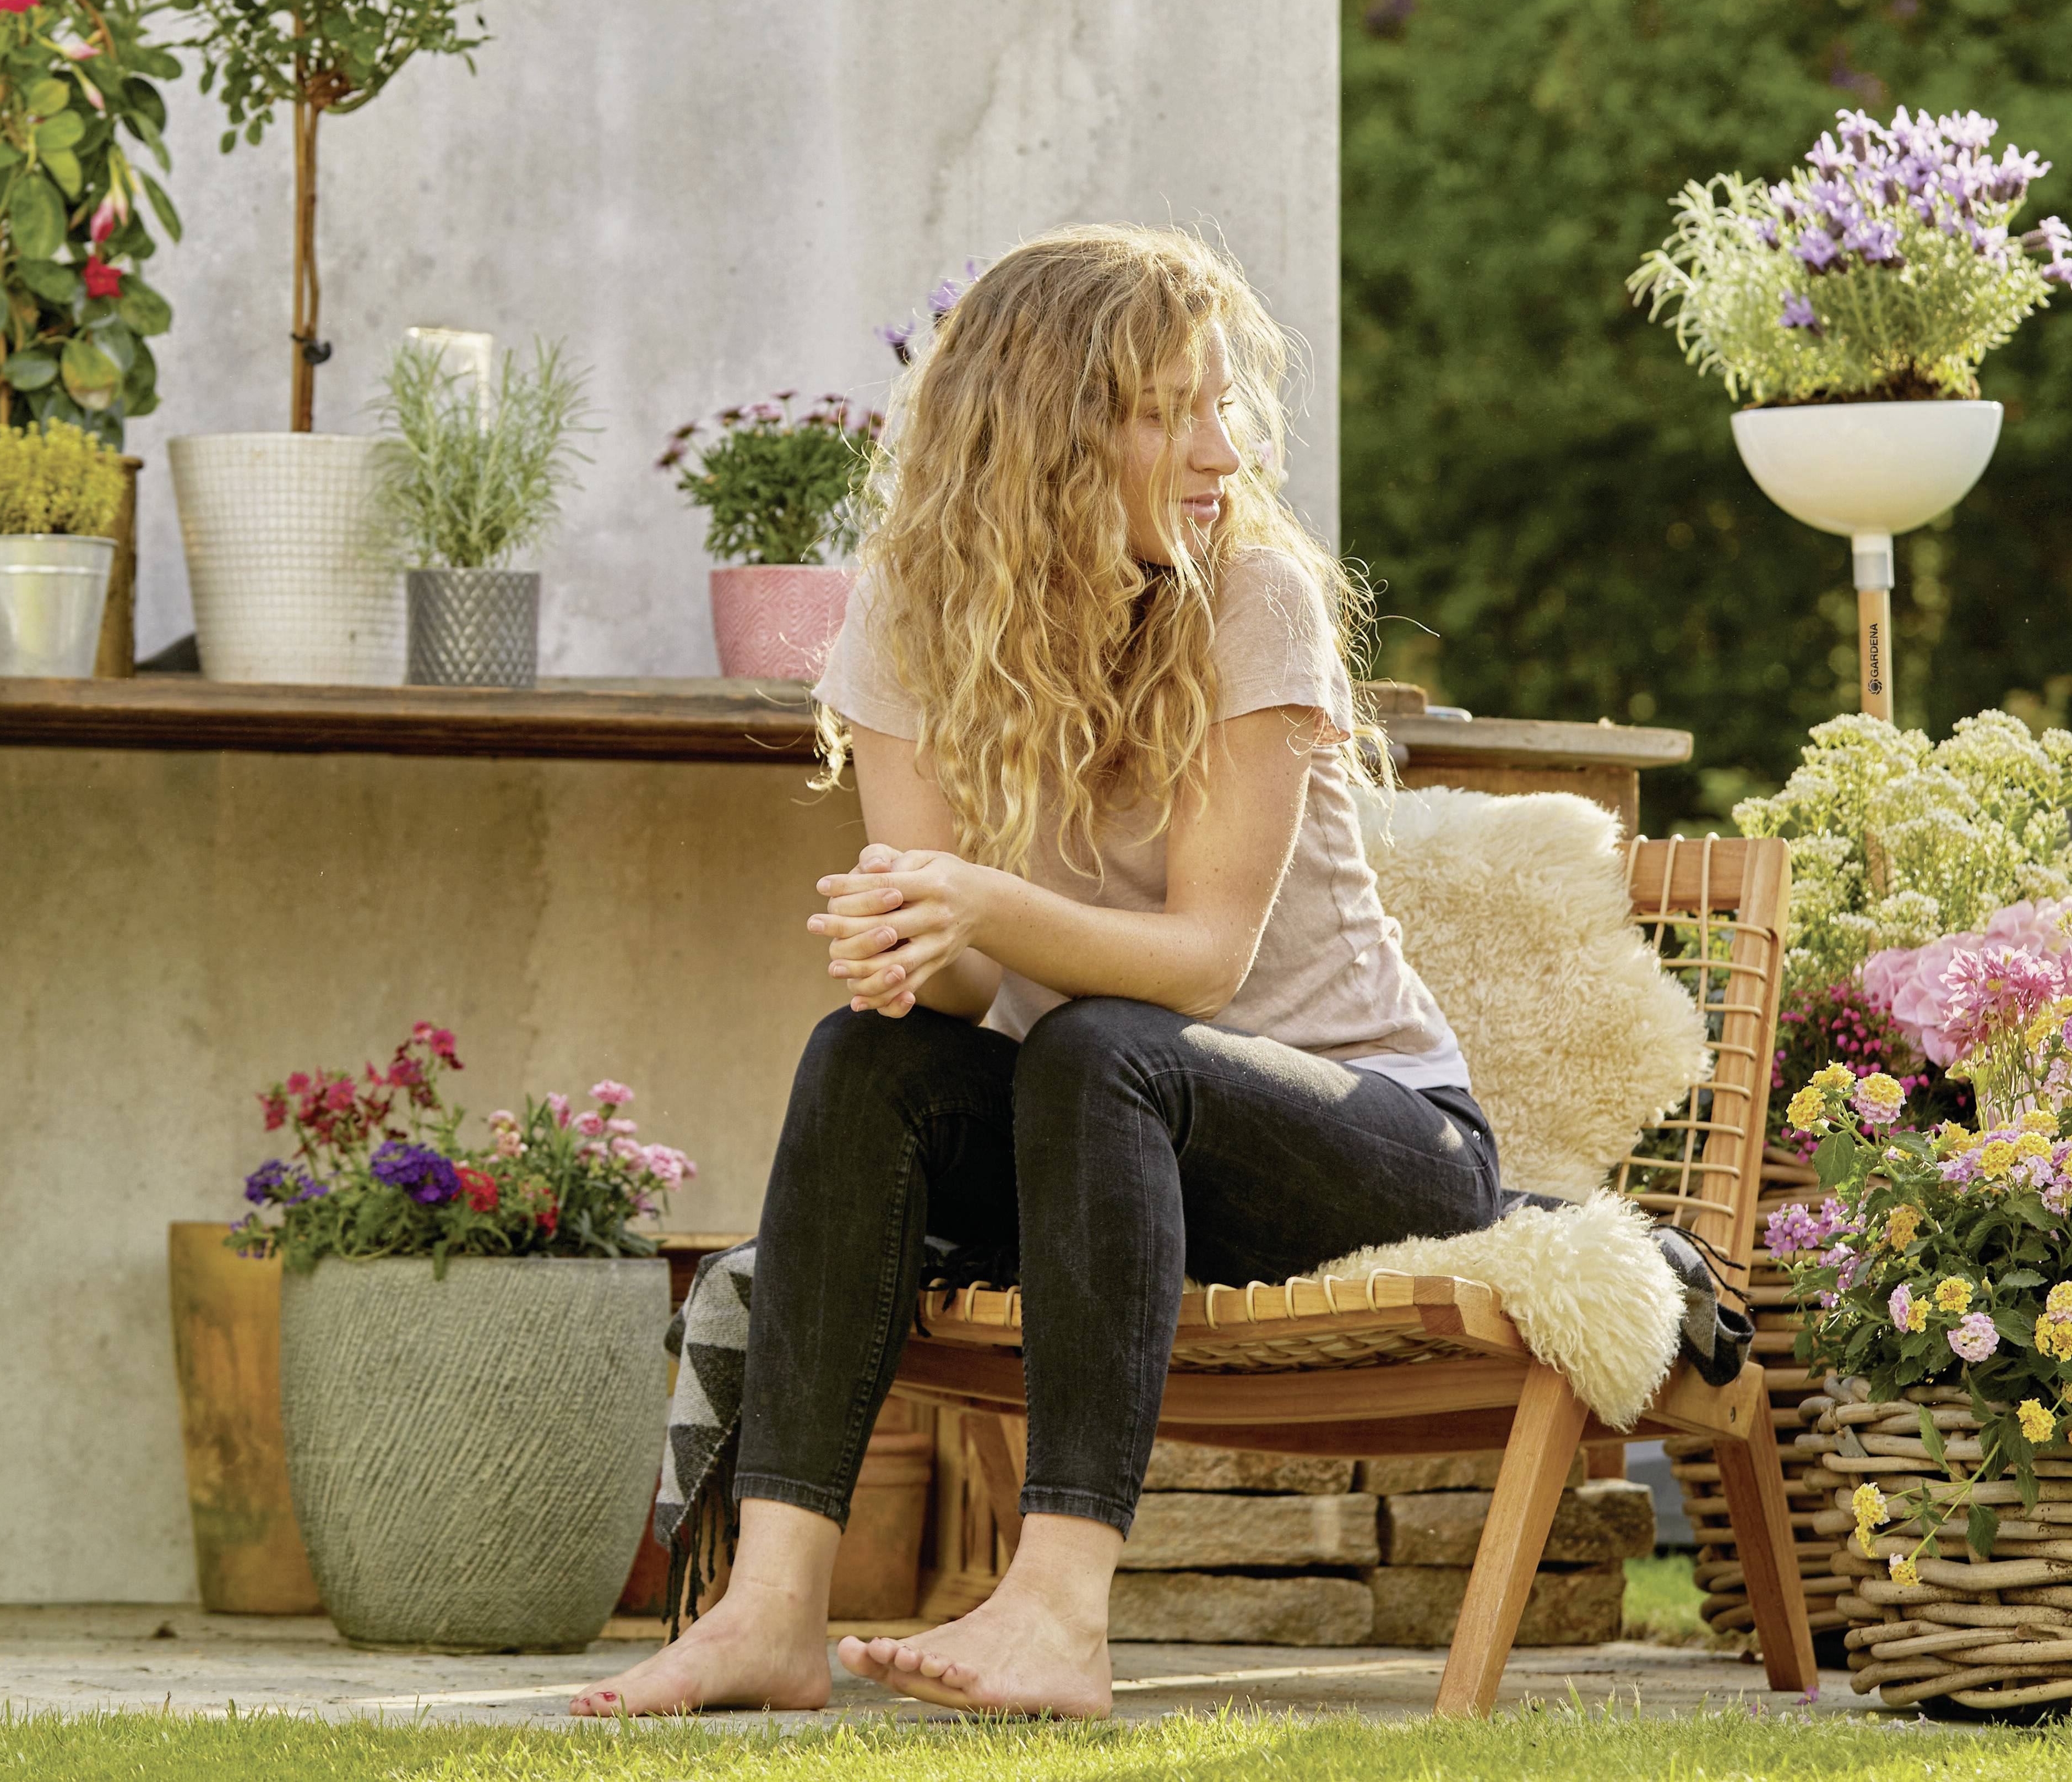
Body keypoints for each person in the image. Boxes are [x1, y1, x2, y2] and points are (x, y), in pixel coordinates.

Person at [577, 226, 1497, 1718]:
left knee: (1099, 1040)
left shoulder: (1249, 595)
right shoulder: (904, 615)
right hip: (1097, 1146)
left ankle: (1060, 1610)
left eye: (1223, 405)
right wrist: (916, 946)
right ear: (1054, 430)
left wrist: (977, 902)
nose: (1221, 448)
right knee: (865, 1056)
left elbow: (1199, 964)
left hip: (1372, 1141)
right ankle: (769, 1608)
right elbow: (952, 995)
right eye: (1167, 410)